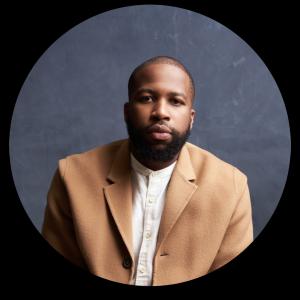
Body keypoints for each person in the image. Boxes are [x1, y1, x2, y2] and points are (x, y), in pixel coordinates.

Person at [42, 56, 253, 286]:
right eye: (147, 98)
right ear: (127, 111)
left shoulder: (231, 186)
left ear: (191, 119)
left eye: (176, 101)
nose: (160, 112)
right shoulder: (72, 176)